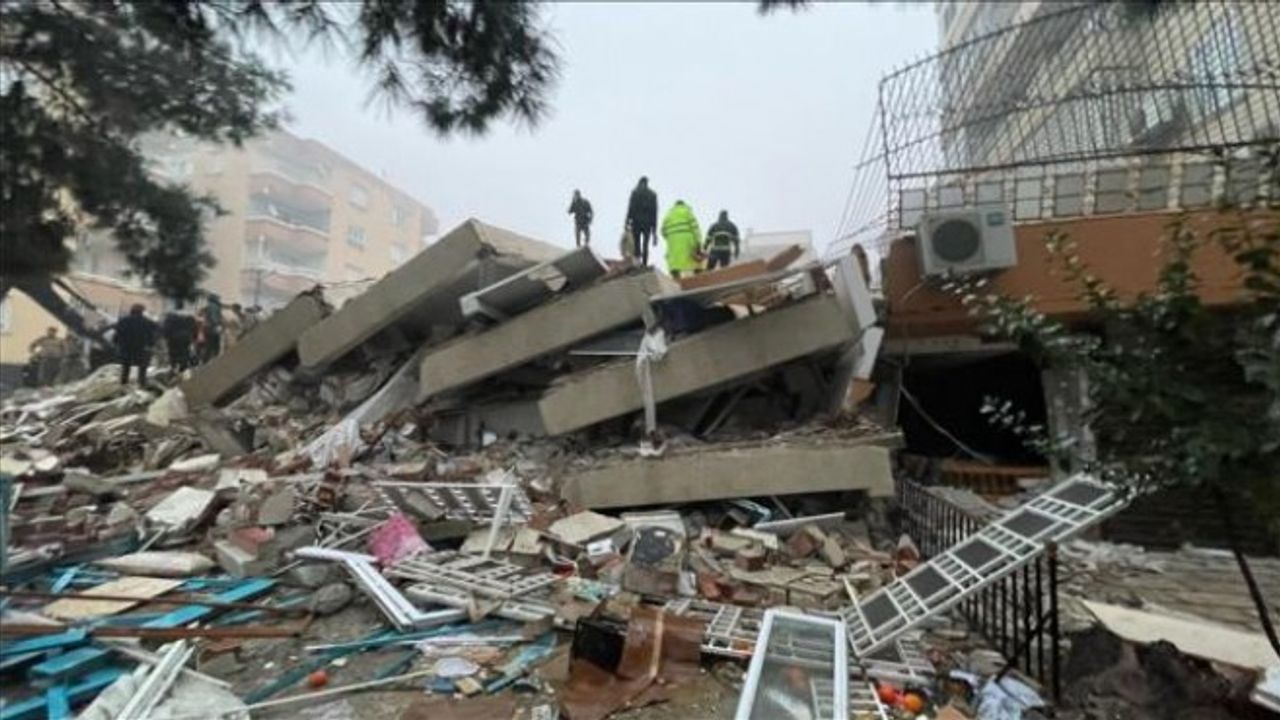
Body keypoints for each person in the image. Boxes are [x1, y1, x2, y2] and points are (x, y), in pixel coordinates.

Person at [112, 304, 158, 386]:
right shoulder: (147, 322)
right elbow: (153, 333)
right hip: (141, 348)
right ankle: (141, 383)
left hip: (126, 348)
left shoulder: (123, 320)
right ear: (142, 312)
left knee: (126, 367)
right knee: (142, 368)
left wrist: (116, 343)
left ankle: (124, 383)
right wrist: (151, 344)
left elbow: (118, 334)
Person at [660, 200, 702, 279]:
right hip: (688, 242)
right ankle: (698, 279)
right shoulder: (688, 212)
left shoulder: (668, 215)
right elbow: (695, 228)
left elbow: (663, 231)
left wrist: (671, 238)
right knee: (695, 263)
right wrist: (698, 242)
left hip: (673, 243)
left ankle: (676, 278)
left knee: (675, 265)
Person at [626, 177, 658, 266]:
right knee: (645, 244)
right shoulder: (652, 195)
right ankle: (644, 263)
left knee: (636, 243)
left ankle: (637, 263)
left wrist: (627, 221)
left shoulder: (635, 193)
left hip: (636, 222)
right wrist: (654, 230)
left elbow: (631, 208)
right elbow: (654, 212)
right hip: (647, 224)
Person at [161, 301, 197, 372]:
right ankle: (183, 368)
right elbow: (193, 327)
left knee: (173, 353)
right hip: (186, 337)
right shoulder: (189, 316)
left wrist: (166, 337)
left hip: (173, 338)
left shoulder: (170, 316)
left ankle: (174, 367)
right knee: (185, 352)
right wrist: (193, 337)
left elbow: (166, 328)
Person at [200, 293, 223, 362]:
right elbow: (214, 318)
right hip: (212, 328)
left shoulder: (208, 306)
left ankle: (205, 359)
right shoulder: (214, 306)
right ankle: (214, 360)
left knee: (208, 345)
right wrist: (218, 324)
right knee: (215, 345)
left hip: (207, 328)